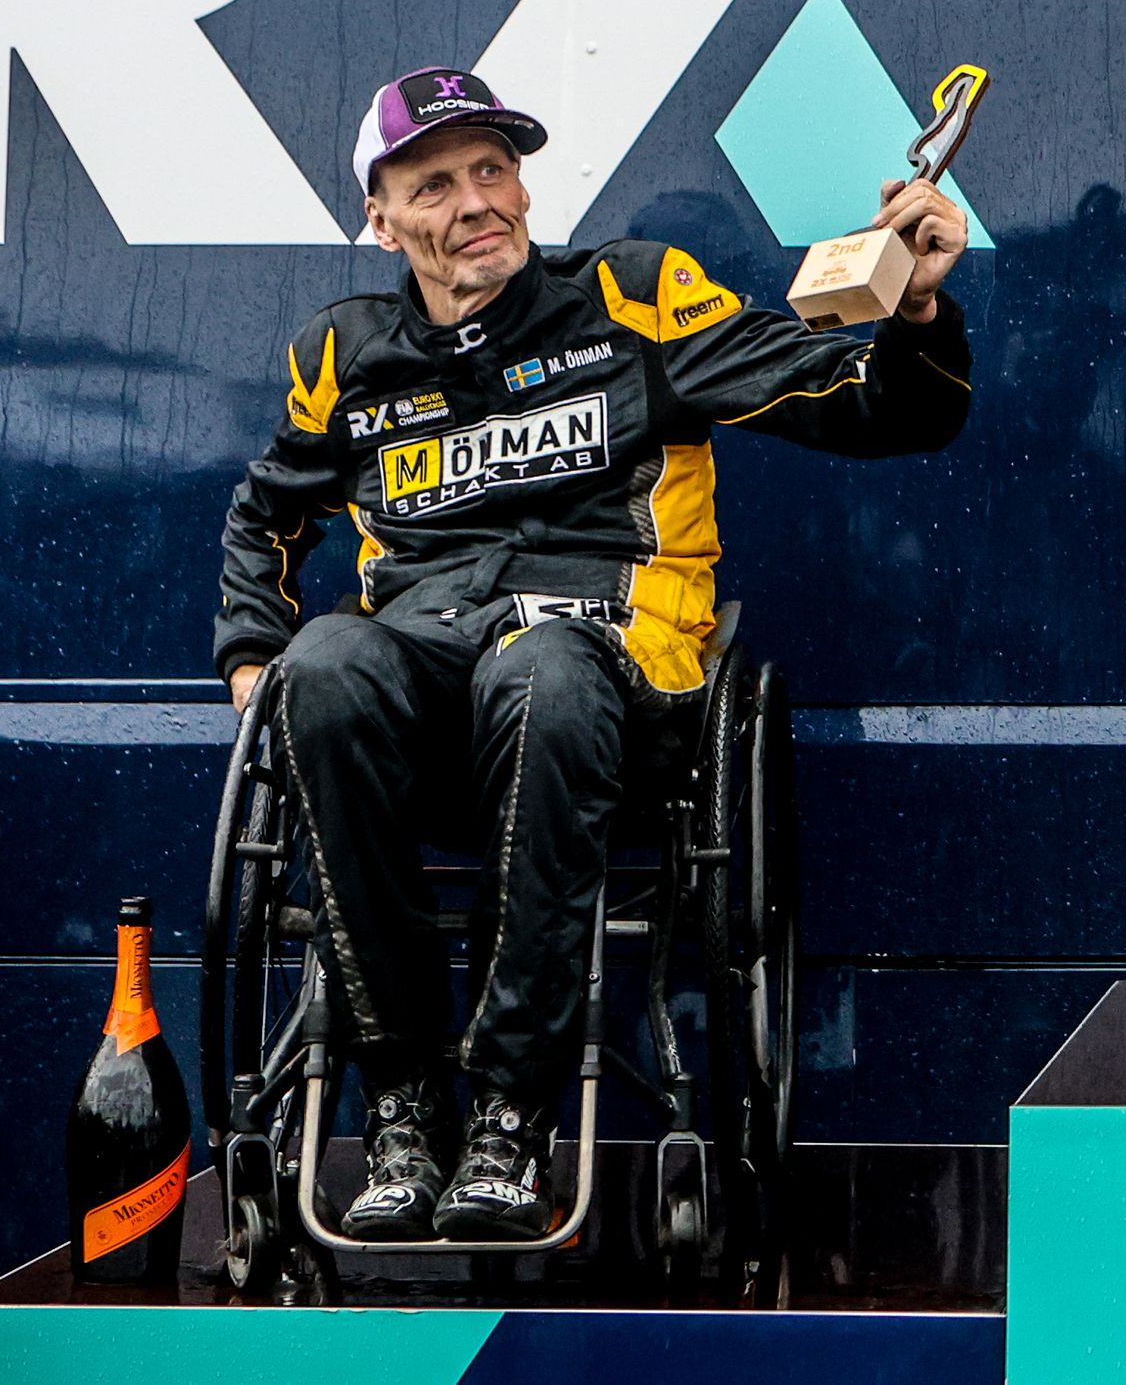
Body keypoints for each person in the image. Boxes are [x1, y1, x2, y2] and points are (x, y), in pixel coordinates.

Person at [212, 67, 972, 1241]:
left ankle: (510, 1116)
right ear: (383, 220)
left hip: (613, 679)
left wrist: (913, 311)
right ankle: (403, 1107)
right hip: (426, 688)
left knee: (546, 664)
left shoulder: (632, 296)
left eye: (492, 170)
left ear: (523, 186)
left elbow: (873, 407)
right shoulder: (343, 355)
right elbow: (264, 517)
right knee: (320, 668)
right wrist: (253, 654)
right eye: (434, 185)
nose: (475, 201)